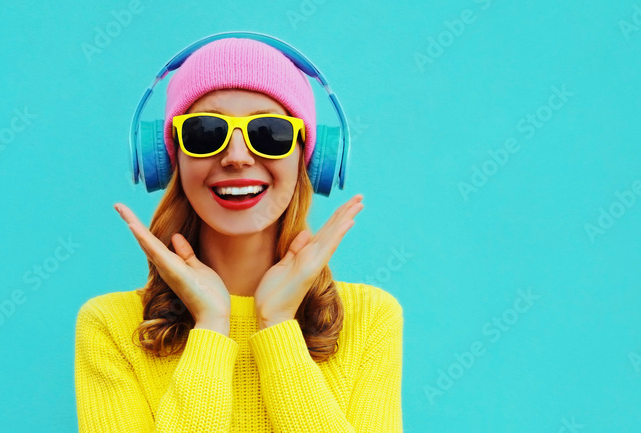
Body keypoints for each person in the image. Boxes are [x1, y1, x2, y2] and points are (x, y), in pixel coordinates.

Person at [75, 36, 403, 432]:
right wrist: (212, 326)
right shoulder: (109, 326)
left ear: (308, 158)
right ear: (169, 157)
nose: (237, 157)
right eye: (204, 132)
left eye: (269, 132)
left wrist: (278, 323)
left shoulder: (371, 319)